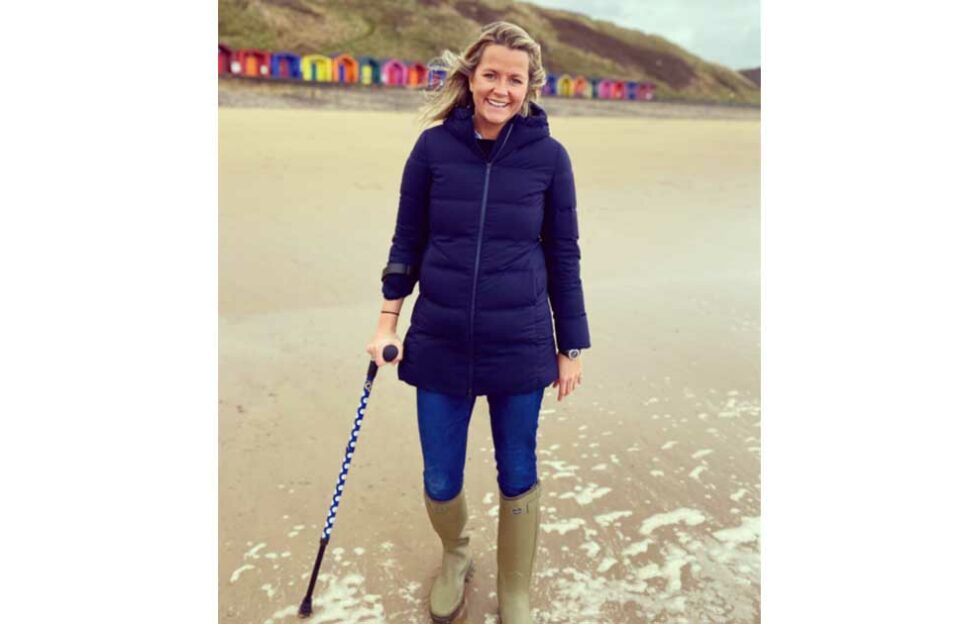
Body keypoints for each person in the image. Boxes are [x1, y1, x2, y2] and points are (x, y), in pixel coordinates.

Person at [366, 21, 590, 624]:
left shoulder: (549, 158)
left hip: (518, 344)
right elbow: (406, 241)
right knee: (440, 476)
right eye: (490, 74)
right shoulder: (433, 149)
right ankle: (455, 555)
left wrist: (571, 345)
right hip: (438, 341)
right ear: (471, 77)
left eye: (514, 79)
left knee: (518, 468)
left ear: (530, 87)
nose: (501, 89)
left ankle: (514, 590)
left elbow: (563, 254)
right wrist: (387, 322)